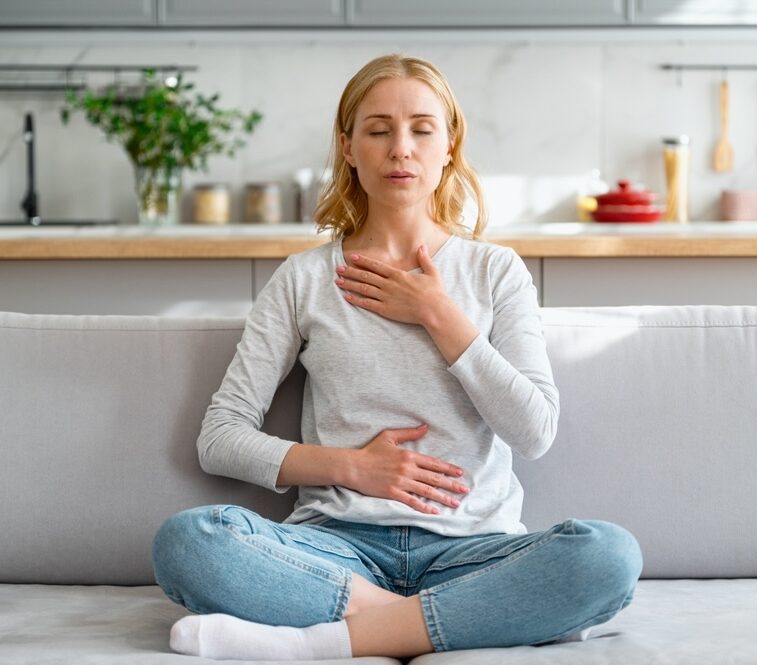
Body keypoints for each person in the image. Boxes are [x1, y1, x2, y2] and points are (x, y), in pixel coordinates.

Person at [151, 53, 643, 661]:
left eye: (421, 129)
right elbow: (220, 437)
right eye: (378, 130)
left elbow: (534, 431)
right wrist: (350, 467)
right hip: (338, 551)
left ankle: (317, 643)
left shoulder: (496, 272)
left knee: (609, 556)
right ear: (349, 148)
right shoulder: (305, 278)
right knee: (189, 542)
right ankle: (468, 619)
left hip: (472, 550)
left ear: (449, 144)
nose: (400, 149)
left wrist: (440, 314)